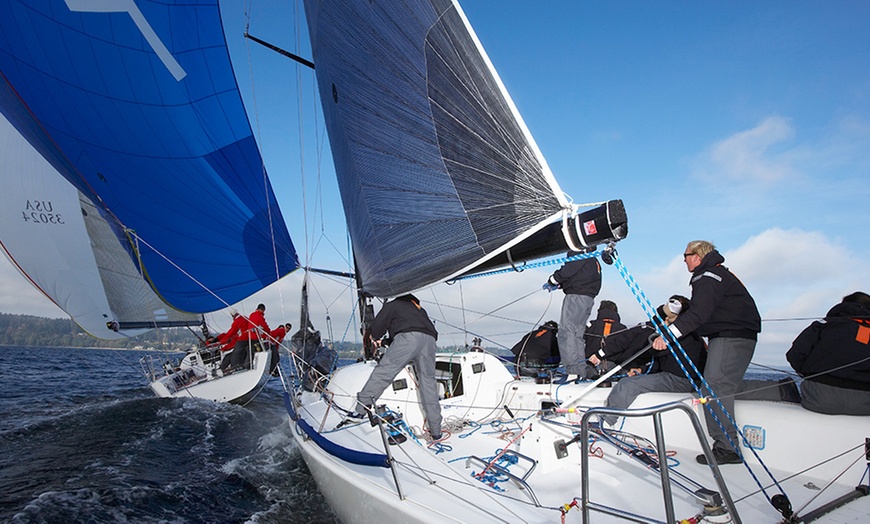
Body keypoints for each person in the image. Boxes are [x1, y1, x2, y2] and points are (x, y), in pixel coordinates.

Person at [653, 241, 761, 465]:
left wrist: (668, 335)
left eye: (686, 255)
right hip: (737, 334)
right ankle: (783, 390)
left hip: (730, 335)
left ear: (698, 256)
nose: (683, 259)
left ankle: (727, 448)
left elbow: (700, 313)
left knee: (713, 387)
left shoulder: (707, 276)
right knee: (727, 385)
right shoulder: (719, 274)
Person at [601, 296, 707, 426]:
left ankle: (606, 422)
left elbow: (656, 351)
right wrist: (642, 370)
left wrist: (664, 326)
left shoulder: (677, 334)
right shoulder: (688, 332)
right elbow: (665, 360)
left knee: (626, 384)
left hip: (680, 380)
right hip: (684, 378)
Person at [355, 294, 443, 439]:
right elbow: (407, 329)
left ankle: (360, 410)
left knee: (384, 371)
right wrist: (386, 342)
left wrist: (375, 338)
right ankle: (436, 431)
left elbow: (377, 329)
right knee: (428, 383)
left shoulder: (394, 305)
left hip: (409, 339)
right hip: (430, 340)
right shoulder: (420, 310)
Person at [786, 292, 870, 415]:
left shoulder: (825, 325)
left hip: (818, 399)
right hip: (864, 405)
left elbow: (795, 355)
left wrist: (808, 374)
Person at [544, 246, 601, 383]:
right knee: (577, 334)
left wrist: (553, 280)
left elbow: (570, 269)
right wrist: (561, 285)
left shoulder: (580, 252)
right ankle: (580, 371)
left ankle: (572, 372)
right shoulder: (592, 258)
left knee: (566, 332)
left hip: (576, 297)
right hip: (587, 298)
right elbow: (581, 276)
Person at [584, 300, 628, 374]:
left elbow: (578, 340)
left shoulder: (591, 325)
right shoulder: (623, 329)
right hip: (615, 368)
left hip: (591, 366)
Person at [227, 303, 271, 373]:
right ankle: (248, 366)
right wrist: (268, 332)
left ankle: (245, 365)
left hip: (249, 336)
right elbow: (264, 326)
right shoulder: (259, 316)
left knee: (249, 350)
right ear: (263, 310)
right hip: (255, 337)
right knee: (253, 350)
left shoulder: (252, 315)